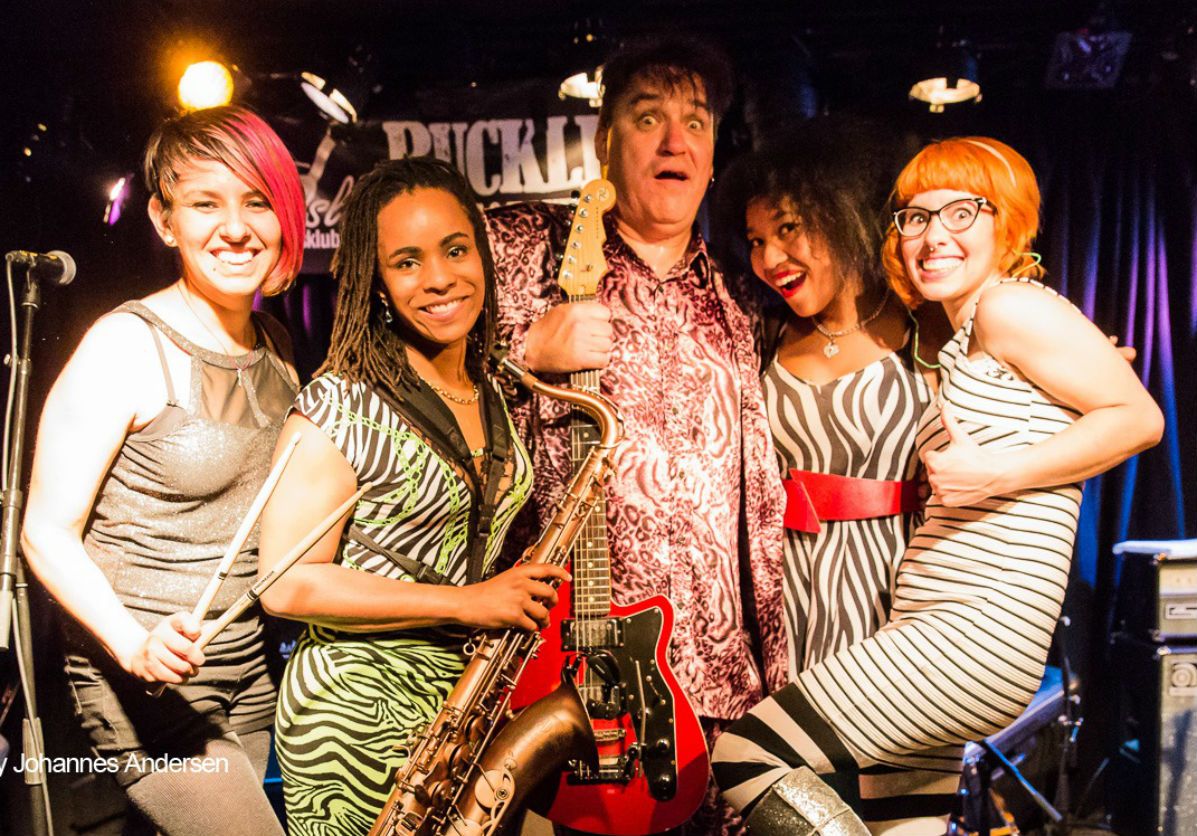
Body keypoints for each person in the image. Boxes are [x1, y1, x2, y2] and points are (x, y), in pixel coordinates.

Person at [711, 136, 1164, 834]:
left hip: (964, 634)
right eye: (916, 218)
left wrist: (994, 473)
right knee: (901, 823)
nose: (932, 236)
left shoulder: (1007, 308)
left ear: (1006, 220)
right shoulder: (964, 335)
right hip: (927, 620)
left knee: (746, 757)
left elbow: (1139, 418)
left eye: (960, 213)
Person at [487, 35, 786, 834]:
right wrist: (521, 353)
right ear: (603, 141)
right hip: (584, 674)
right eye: (647, 118)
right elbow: (417, 371)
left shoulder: (741, 296)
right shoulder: (524, 250)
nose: (674, 141)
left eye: (696, 122)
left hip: (721, 683)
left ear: (714, 155)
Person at [255, 157, 570, 836]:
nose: (439, 278)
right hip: (352, 715)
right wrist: (469, 603)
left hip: (457, 709)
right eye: (407, 261)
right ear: (374, 281)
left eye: (455, 250)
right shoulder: (338, 403)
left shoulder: (489, 390)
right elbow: (285, 584)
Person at [20, 105, 305, 836]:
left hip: (248, 675)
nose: (236, 228)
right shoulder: (125, 345)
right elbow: (44, 533)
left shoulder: (275, 345)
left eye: (257, 202)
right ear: (164, 220)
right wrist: (133, 644)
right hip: (143, 688)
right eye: (206, 204)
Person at [711, 119, 961, 832]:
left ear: (842, 211)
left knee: (904, 814)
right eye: (755, 240)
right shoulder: (759, 335)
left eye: (788, 229)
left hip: (900, 605)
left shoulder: (927, 328)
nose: (769, 258)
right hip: (786, 615)